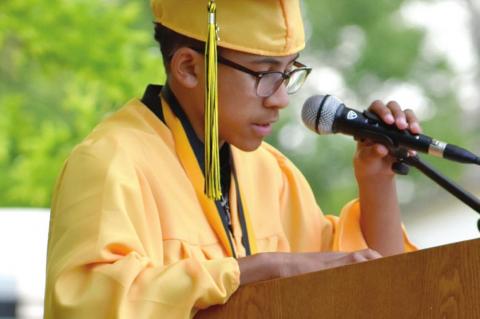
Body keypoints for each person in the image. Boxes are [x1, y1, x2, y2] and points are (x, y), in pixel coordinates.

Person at [44, 0, 419, 318]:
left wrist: (376, 181)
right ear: (189, 68)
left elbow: (371, 290)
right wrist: (261, 269)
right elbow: (90, 302)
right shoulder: (111, 162)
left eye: (288, 72)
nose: (281, 99)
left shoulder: (272, 174)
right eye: (265, 74)